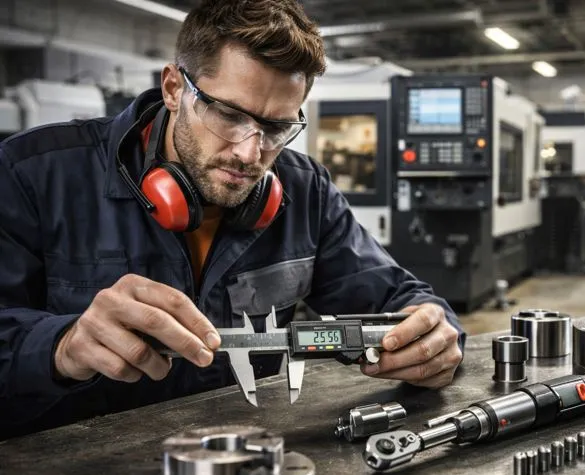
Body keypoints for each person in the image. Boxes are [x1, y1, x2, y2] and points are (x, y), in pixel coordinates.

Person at [0, 0, 465, 440]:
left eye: (277, 128)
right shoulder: (32, 175)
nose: (249, 152)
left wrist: (433, 335)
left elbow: (403, 298)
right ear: (173, 89)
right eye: (228, 114)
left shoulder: (305, 192)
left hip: (246, 468)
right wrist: (61, 346)